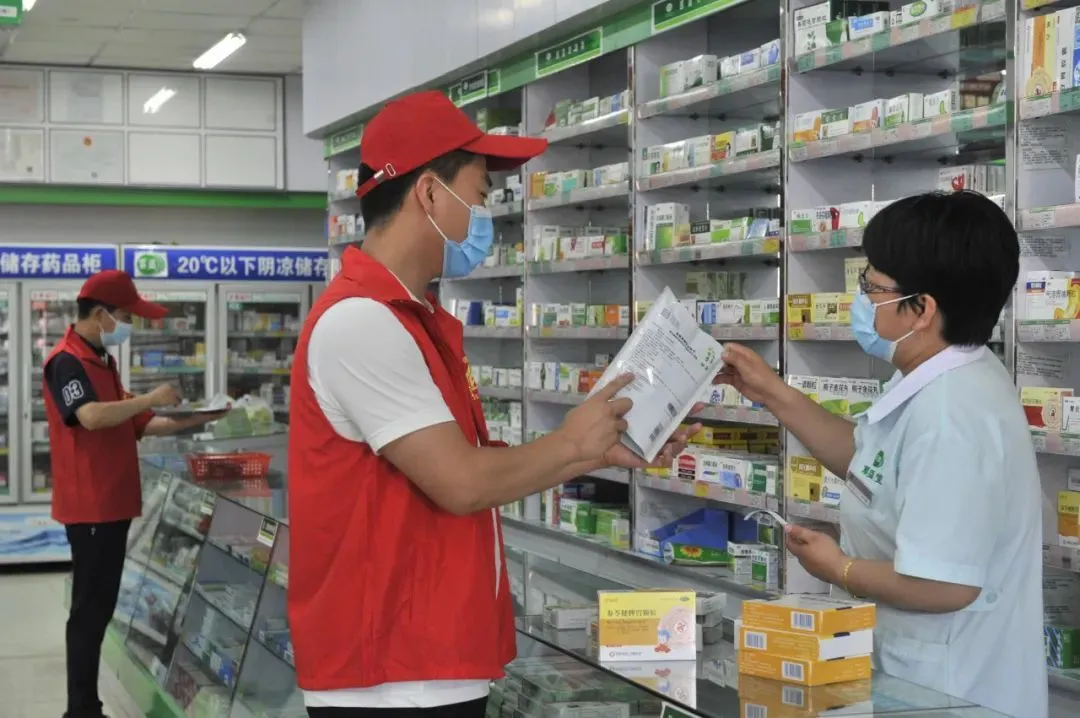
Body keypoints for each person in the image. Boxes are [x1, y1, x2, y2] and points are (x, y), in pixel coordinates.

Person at [288, 90, 698, 718]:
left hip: (422, 664)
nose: (483, 218)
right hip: (390, 678)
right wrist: (570, 442)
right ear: (429, 193)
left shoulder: (411, 318)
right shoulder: (360, 322)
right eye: (479, 196)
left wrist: (591, 452)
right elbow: (461, 482)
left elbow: (466, 468)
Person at [718, 190, 1046, 717]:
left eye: (872, 287)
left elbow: (946, 585)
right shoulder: (940, 374)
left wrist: (839, 567)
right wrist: (771, 393)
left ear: (922, 309)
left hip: (953, 688)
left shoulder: (951, 415)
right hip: (918, 675)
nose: (862, 300)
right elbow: (874, 464)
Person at [45, 270, 228, 718]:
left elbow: (140, 424)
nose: (129, 325)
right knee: (89, 613)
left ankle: (85, 707)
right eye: (126, 317)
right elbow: (90, 416)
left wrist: (200, 417)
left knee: (99, 609)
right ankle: (80, 711)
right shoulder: (66, 361)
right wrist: (149, 398)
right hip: (90, 506)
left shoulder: (102, 361)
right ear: (101, 314)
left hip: (113, 502)